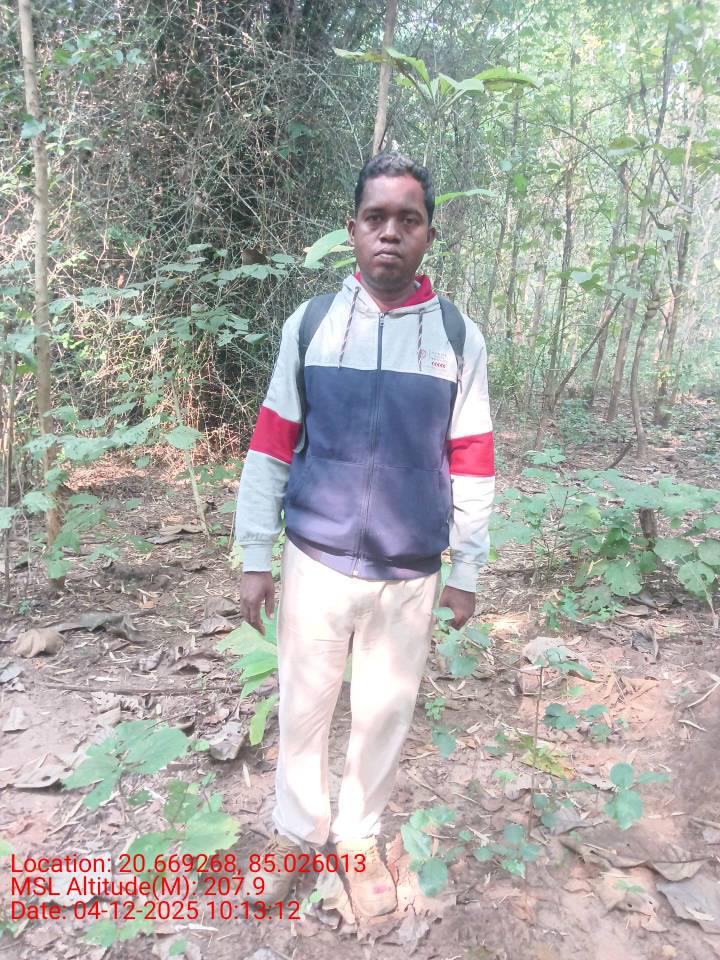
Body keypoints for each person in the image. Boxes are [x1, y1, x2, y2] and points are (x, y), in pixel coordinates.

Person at [234, 152, 494, 918]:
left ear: (429, 235)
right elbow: (271, 445)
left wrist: (466, 569)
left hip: (409, 574)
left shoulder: (457, 338)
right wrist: (255, 555)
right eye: (375, 218)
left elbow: (473, 459)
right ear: (351, 229)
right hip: (314, 562)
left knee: (384, 715)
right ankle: (295, 833)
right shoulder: (312, 325)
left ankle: (357, 837)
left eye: (407, 220)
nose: (390, 233)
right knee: (303, 707)